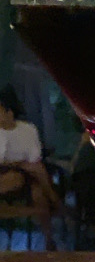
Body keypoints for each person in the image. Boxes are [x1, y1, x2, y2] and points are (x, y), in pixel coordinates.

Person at [0, 86, 62, 249]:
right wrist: (16, 164)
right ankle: (54, 200)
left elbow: (34, 156)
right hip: (9, 171)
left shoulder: (27, 129)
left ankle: (48, 239)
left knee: (37, 190)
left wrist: (20, 164)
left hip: (28, 172)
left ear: (9, 112)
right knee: (30, 173)